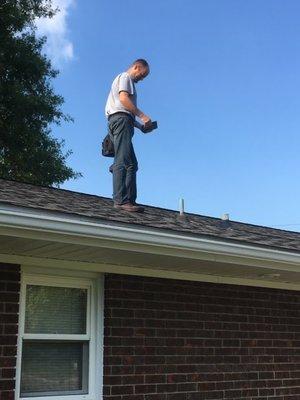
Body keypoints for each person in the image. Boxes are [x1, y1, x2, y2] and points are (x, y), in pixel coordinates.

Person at [105, 59, 154, 212]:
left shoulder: (124, 80)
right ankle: (121, 201)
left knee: (132, 164)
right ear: (136, 67)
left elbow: (123, 110)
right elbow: (123, 100)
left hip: (123, 120)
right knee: (123, 160)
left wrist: (140, 127)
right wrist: (143, 116)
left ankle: (129, 200)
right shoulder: (125, 77)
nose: (142, 78)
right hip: (121, 121)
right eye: (142, 74)